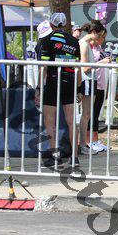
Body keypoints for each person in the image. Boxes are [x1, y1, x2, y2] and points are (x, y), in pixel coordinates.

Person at [35, 13, 82, 168]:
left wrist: (38, 88)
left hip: (53, 82)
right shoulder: (74, 41)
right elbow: (78, 67)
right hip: (70, 82)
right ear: (66, 24)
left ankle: (55, 157)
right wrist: (79, 89)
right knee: (71, 121)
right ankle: (74, 158)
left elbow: (44, 67)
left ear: (51, 24)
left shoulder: (47, 40)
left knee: (50, 121)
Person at [78, 20, 109, 155]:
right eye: (100, 35)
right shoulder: (84, 44)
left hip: (91, 80)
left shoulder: (86, 44)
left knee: (88, 114)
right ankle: (83, 144)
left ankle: (84, 143)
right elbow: (85, 68)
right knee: (86, 114)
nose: (101, 39)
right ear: (94, 32)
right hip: (88, 80)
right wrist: (101, 62)